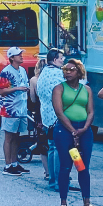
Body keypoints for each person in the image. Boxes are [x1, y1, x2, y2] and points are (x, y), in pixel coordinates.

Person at [52, 59, 99, 206]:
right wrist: (73, 131)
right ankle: (63, 202)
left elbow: (91, 111)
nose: (68, 72)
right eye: (66, 69)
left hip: (83, 131)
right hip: (65, 131)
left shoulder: (86, 89)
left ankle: (87, 202)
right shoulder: (59, 88)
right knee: (65, 166)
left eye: (72, 69)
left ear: (79, 72)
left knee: (82, 167)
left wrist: (84, 128)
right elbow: (59, 112)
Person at [36, 49, 66, 190]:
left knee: (52, 148)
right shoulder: (58, 74)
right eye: (61, 58)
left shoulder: (43, 73)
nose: (63, 60)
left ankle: (53, 180)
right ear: (54, 60)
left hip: (47, 115)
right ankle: (60, 181)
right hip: (58, 116)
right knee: (60, 149)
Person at [0, 47, 30, 176]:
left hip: (21, 108)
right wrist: (17, 88)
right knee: (9, 137)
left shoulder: (22, 70)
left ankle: (15, 163)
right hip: (9, 109)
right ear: (11, 58)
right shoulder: (6, 72)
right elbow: (1, 91)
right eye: (18, 55)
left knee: (17, 137)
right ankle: (7, 165)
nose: (21, 56)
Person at [28, 58, 49, 178]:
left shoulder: (34, 80)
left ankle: (47, 171)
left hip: (40, 112)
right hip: (53, 111)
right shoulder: (53, 80)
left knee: (43, 143)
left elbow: (33, 99)